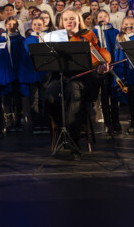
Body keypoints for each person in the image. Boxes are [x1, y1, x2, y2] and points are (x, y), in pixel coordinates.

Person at [42, 9, 109, 160]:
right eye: (66, 19)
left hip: (83, 79)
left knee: (73, 93)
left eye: (72, 18)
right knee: (48, 97)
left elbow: (96, 65)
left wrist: (100, 70)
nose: (69, 22)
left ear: (79, 20)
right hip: (61, 77)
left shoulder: (87, 37)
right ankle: (63, 129)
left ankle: (74, 142)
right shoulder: (56, 38)